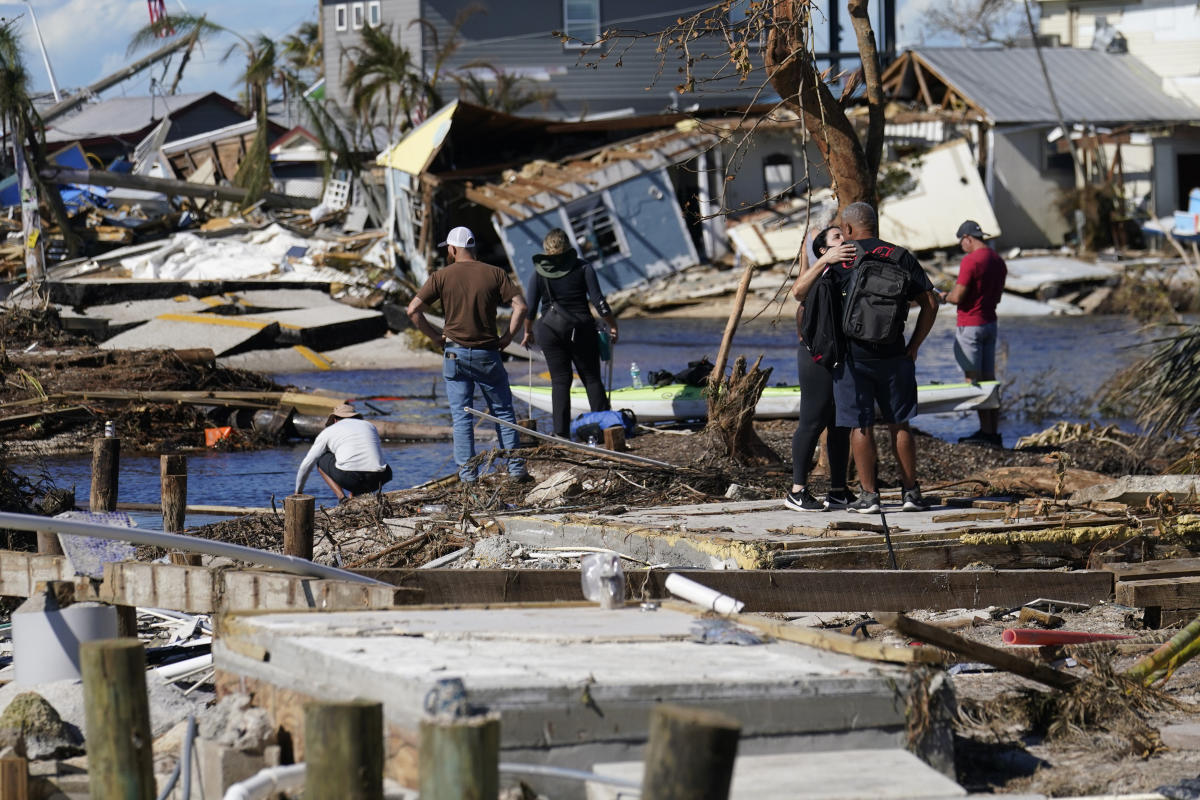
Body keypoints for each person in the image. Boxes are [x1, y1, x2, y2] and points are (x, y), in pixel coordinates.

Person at [830, 202, 940, 513]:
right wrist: (915, 345)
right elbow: (930, 303)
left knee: (860, 425)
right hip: (895, 353)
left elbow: (814, 304)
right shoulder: (900, 256)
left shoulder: (844, 257)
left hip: (853, 356)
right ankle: (910, 494)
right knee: (899, 424)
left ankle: (870, 497)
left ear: (849, 229)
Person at [406, 225, 530, 484]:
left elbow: (413, 310)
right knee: (503, 412)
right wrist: (507, 337)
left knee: (462, 416)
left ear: (452, 249)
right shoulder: (495, 273)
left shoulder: (441, 276)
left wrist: (435, 336)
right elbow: (520, 307)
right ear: (473, 248)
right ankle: (516, 469)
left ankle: (468, 475)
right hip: (488, 353)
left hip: (454, 354)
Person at [784, 225, 858, 511]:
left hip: (840, 357)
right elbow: (798, 291)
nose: (844, 241)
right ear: (824, 251)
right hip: (815, 358)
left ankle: (838, 489)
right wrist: (820, 260)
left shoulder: (844, 271)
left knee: (840, 425)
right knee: (812, 422)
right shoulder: (822, 271)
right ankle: (797, 490)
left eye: (844, 235)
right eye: (837, 237)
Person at [520, 228, 620, 439]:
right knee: (591, 378)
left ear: (546, 249)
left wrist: (527, 332)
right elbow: (599, 302)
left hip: (548, 330)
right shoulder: (583, 268)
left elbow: (530, 309)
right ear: (567, 246)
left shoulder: (538, 272)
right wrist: (612, 325)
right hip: (581, 329)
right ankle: (604, 430)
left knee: (560, 381)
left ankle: (561, 435)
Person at [942, 219, 1007, 448]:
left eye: (962, 242)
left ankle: (984, 433)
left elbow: (958, 296)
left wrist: (943, 296)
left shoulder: (971, 260)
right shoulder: (998, 261)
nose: (962, 247)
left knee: (974, 381)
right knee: (990, 379)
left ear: (968, 238)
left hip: (970, 325)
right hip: (990, 323)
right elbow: (997, 297)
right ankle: (992, 432)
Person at [295, 403, 392, 503]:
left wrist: (298, 492)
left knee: (321, 459)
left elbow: (306, 464)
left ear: (335, 420)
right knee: (360, 462)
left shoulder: (329, 431)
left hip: (352, 479)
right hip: (380, 477)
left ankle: (342, 498)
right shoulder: (370, 426)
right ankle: (355, 497)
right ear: (356, 417)